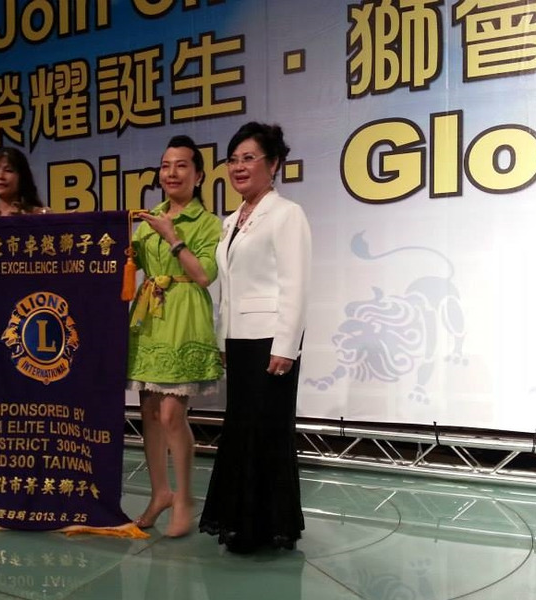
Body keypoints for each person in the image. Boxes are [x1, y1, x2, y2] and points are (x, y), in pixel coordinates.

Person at [199, 122, 312, 553]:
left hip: (271, 341)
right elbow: (229, 289)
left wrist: (286, 346)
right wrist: (223, 340)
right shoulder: (231, 221)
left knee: (267, 432)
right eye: (233, 160)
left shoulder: (286, 214)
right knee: (241, 431)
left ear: (274, 163)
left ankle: (267, 528)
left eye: (249, 158)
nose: (238, 167)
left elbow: (295, 284)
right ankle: (241, 524)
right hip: (240, 340)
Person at [127, 135, 223, 537]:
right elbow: (129, 264)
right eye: (166, 165)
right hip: (149, 317)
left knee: (170, 414)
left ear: (198, 175)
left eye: (182, 165)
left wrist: (172, 236)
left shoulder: (209, 223)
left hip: (184, 316)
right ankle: (159, 493)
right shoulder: (148, 218)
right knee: (149, 414)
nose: (171, 172)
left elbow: (203, 275)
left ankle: (184, 498)